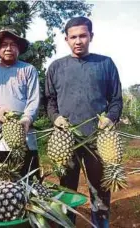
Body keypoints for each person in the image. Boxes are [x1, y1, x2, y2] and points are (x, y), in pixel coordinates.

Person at [45, 17, 123, 227]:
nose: (78, 41)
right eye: (73, 37)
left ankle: (100, 223)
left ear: (91, 36)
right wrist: (56, 118)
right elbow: (50, 101)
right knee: (66, 186)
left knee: (99, 188)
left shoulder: (105, 64)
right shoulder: (55, 67)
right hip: (65, 138)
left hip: (97, 138)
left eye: (82, 35)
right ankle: (67, 223)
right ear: (66, 39)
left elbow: (116, 100)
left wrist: (109, 118)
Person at [0, 28, 40, 178]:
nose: (8, 48)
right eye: (4, 44)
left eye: (13, 45)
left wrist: (26, 119)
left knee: (29, 186)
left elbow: (34, 99)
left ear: (18, 48)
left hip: (25, 138)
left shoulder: (29, 70)